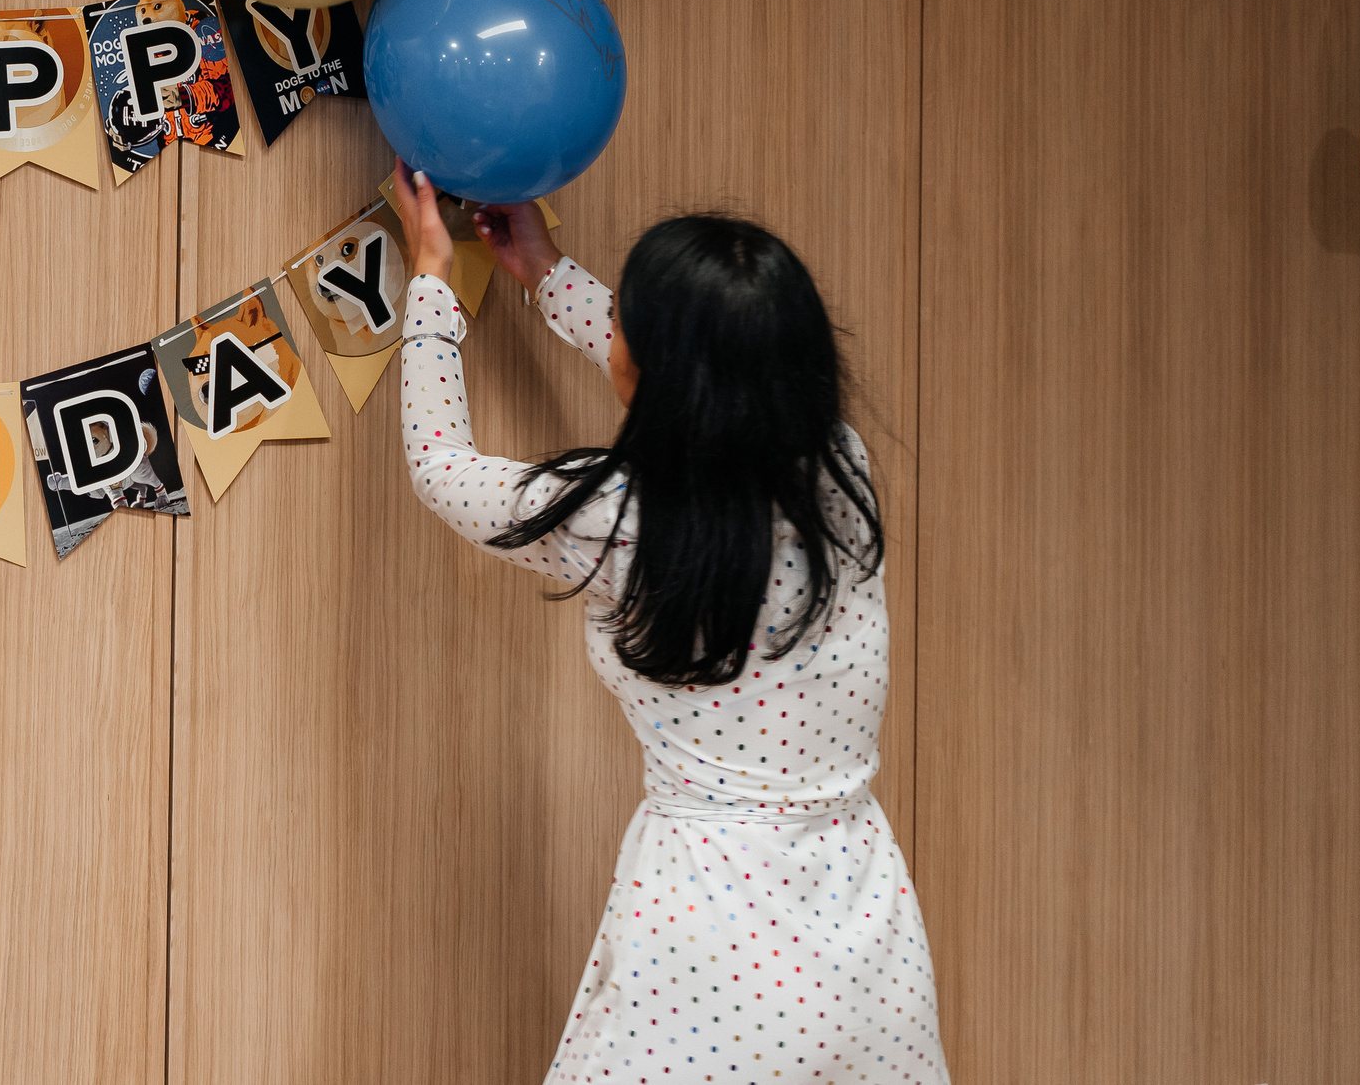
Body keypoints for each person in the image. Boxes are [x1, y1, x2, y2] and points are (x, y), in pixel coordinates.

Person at [388, 170, 948, 1084]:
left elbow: (439, 464)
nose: (612, 335)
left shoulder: (611, 518)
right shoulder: (840, 470)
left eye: (621, 329)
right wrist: (548, 273)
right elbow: (713, 369)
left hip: (707, 940)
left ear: (650, 368)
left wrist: (434, 281)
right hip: (861, 939)